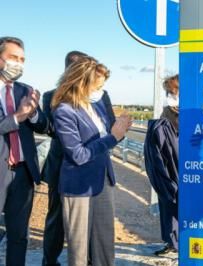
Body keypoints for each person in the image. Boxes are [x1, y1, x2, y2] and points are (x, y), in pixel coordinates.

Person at [51, 56, 130, 266]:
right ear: (80, 81)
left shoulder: (97, 106)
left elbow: (109, 135)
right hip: (78, 186)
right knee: (79, 250)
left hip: (103, 180)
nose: (100, 91)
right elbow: (77, 155)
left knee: (105, 243)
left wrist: (120, 128)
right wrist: (113, 137)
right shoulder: (64, 111)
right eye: (97, 86)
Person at [0, 36, 48, 265]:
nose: (18, 64)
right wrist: (18, 117)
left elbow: (44, 126)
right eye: (13, 58)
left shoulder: (25, 90)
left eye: (22, 59)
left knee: (19, 236)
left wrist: (34, 112)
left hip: (22, 173)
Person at [144, 75, 179, 255]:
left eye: (172, 92)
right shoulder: (167, 112)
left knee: (182, 205)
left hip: (184, 165)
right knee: (168, 205)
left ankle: (182, 243)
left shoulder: (191, 112)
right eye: (168, 92)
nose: (169, 96)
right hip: (168, 167)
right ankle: (171, 242)